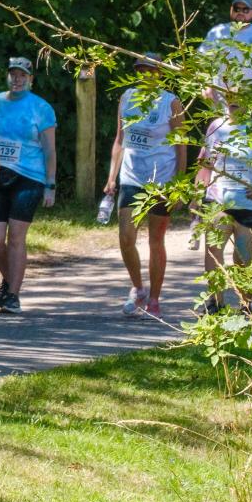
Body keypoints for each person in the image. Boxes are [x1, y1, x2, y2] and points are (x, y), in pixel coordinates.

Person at [102, 52, 186, 321]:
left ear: (160, 73)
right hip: (131, 177)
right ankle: (137, 288)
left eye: (150, 70)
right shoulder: (126, 97)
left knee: (155, 240)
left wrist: (179, 184)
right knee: (126, 237)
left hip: (161, 179)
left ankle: (155, 299)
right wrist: (111, 177)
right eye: (141, 70)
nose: (145, 75)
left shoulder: (170, 103)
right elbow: (120, 139)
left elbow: (181, 145)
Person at [0, 56, 57, 313]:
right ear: (8, 76)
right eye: (14, 74)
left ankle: (12, 294)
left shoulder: (41, 108)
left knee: (16, 236)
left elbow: (49, 150)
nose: (17, 79)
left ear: (31, 79)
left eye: (23, 75)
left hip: (29, 177)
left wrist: (51, 184)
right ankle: (10, 278)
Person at [195, 101, 252, 313]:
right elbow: (206, 161)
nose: (235, 102)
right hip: (218, 199)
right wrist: (199, 187)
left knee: (243, 259)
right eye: (230, 97)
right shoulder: (216, 126)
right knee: (213, 251)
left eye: (241, 97)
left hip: (251, 204)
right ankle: (215, 304)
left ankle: (245, 307)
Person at [198, 0, 252, 95]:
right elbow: (201, 59)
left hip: (250, 99)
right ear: (231, 9)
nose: (240, 12)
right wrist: (206, 88)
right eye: (237, 8)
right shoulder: (217, 32)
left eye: (245, 9)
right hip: (219, 99)